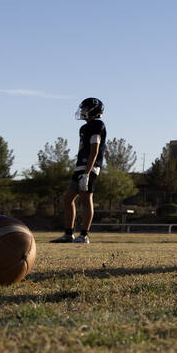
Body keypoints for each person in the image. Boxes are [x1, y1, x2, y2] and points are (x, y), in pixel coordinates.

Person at [51, 97, 107, 244]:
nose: (82, 112)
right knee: (68, 199)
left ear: (93, 110)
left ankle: (84, 235)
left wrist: (87, 173)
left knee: (86, 198)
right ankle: (69, 234)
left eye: (84, 109)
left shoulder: (97, 125)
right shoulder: (84, 128)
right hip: (80, 166)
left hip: (90, 167)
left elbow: (94, 151)